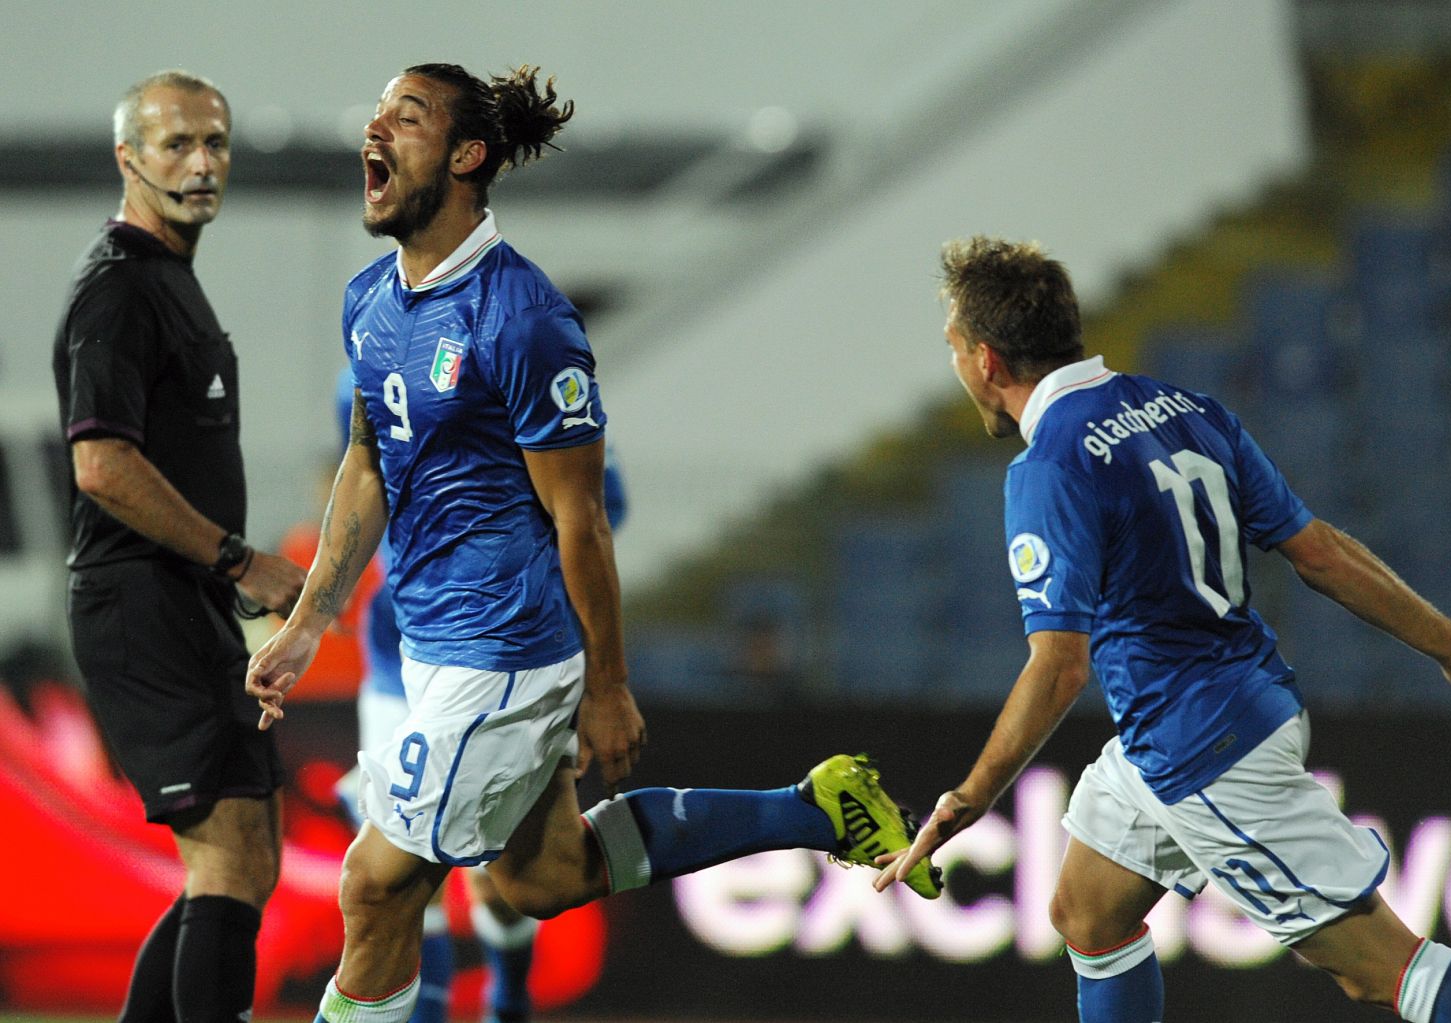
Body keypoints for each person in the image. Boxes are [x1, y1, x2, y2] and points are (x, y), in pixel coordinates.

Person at [244, 62, 940, 1023]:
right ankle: (814, 807)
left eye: (405, 118)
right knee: (541, 877)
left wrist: (607, 687)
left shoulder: (524, 317)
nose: (375, 130)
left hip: (505, 653)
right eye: (376, 114)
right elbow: (368, 462)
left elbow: (583, 519)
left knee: (375, 886)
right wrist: (312, 617)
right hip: (435, 646)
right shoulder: (371, 300)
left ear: (466, 155)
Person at [875, 236, 1451, 1023]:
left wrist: (968, 797)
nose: (956, 367)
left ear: (987, 360)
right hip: (1221, 708)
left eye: (955, 349)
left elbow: (1059, 667)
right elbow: (1321, 553)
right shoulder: (1183, 409)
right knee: (1087, 911)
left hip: (1202, 750)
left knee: (1380, 968)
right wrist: (1448, 641)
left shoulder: (1050, 467)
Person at [51, 70, 306, 1023]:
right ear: (130, 158)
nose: (202, 164)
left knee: (244, 861)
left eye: (216, 143)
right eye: (176, 146)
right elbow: (101, 466)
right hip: (139, 603)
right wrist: (240, 561)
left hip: (181, 604)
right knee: (231, 855)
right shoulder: (118, 293)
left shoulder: (167, 282)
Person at [330, 366, 632, 1023]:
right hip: (398, 658)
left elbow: (592, 516)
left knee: (503, 882)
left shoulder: (528, 364)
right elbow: (359, 485)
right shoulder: (368, 361)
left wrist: (591, 678)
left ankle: (509, 996)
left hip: (502, 655)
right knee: (400, 883)